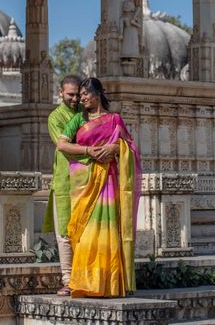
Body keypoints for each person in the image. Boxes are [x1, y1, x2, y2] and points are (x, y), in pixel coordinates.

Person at [56, 77, 140, 298]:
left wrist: (115, 146)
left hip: (108, 183)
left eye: (86, 93)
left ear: (98, 94)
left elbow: (131, 148)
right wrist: (88, 151)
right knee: (84, 233)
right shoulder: (77, 119)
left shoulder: (114, 119)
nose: (82, 98)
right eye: (80, 94)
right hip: (84, 184)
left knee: (106, 231)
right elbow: (62, 144)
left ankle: (106, 284)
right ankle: (83, 281)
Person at [44, 75, 81, 295]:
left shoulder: (85, 115)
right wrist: (89, 150)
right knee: (65, 233)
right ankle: (68, 280)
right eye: (70, 94)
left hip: (86, 180)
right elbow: (63, 145)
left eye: (78, 94)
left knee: (85, 231)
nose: (75, 99)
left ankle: (87, 278)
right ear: (61, 93)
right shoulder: (55, 117)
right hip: (64, 181)